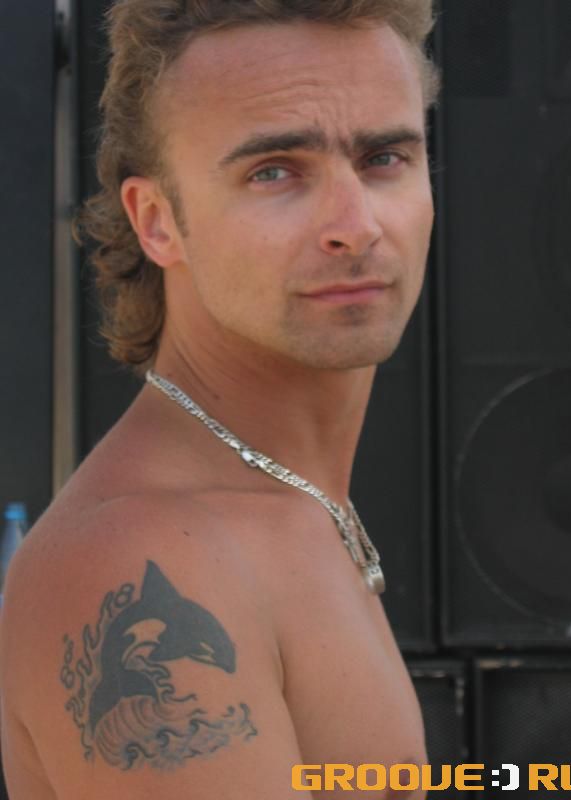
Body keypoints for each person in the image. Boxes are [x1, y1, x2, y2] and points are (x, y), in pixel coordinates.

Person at [0, 1, 440, 797]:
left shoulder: (293, 502)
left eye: (384, 158)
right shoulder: (142, 554)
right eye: (274, 171)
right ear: (157, 221)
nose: (356, 225)